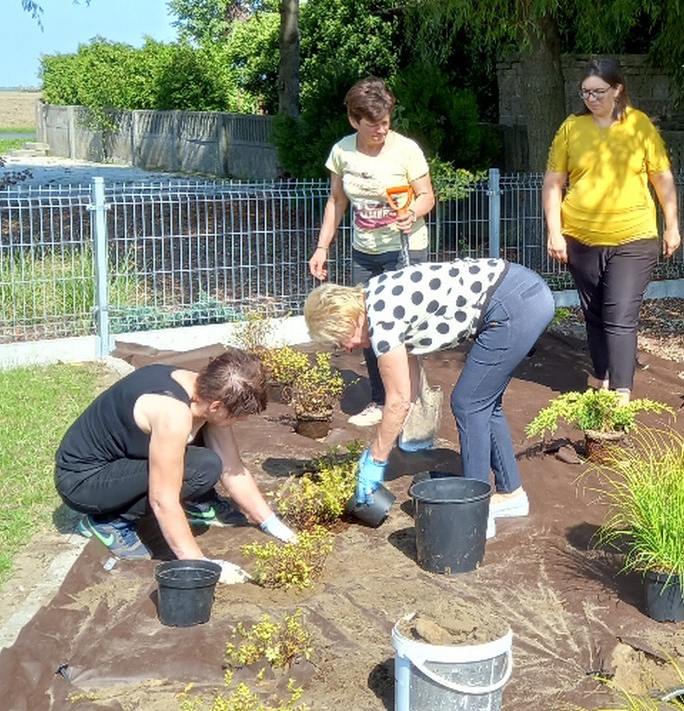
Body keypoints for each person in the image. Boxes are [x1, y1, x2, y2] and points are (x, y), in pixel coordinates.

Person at [303, 258, 554, 528]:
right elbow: (406, 395)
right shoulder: (376, 297)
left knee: (468, 403)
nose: (348, 349)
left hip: (514, 303)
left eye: (342, 341)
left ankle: (476, 515)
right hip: (524, 292)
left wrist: (376, 459)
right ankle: (511, 494)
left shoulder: (382, 320)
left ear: (347, 321)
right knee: (483, 403)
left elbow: (397, 402)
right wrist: (379, 450)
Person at [55, 349, 297, 568]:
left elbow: (231, 467)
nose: (242, 421)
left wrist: (269, 521)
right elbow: (163, 500)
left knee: (209, 464)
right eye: (240, 415)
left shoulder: (205, 390)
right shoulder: (172, 412)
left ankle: (196, 502)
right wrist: (199, 563)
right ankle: (109, 521)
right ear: (216, 405)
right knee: (199, 469)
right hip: (84, 482)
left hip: (121, 465)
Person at [542, 57, 681, 405]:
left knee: (620, 313)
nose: (591, 99)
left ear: (617, 89)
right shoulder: (572, 128)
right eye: (586, 92)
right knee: (595, 312)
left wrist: (672, 226)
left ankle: (621, 392)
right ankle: (601, 375)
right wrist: (555, 232)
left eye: (599, 92)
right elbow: (553, 182)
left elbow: (661, 177)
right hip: (581, 237)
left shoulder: (640, 126)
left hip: (634, 236)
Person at [309, 76, 436, 428]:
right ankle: (381, 401)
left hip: (404, 251)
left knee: (402, 330)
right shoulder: (342, 152)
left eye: (386, 121)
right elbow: (337, 201)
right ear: (354, 121)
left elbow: (427, 196)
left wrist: (412, 212)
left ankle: (411, 404)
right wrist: (322, 248)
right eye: (373, 124)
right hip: (363, 253)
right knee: (366, 328)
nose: (382, 129)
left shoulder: (406, 149)